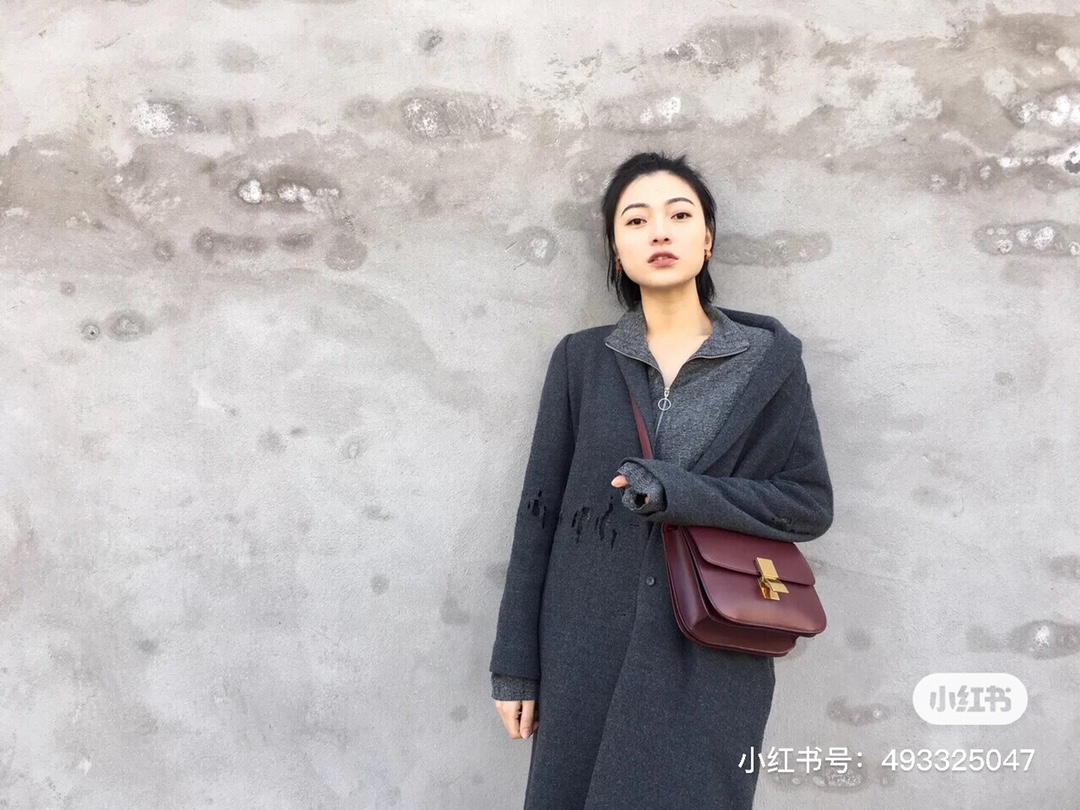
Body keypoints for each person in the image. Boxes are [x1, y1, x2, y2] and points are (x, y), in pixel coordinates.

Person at [489, 152, 833, 809]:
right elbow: (539, 514)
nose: (659, 232)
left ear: (707, 239)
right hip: (584, 643)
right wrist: (515, 665)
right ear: (615, 251)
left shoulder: (768, 364)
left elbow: (808, 504)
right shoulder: (582, 360)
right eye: (636, 220)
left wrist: (682, 492)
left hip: (712, 649)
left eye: (679, 215)